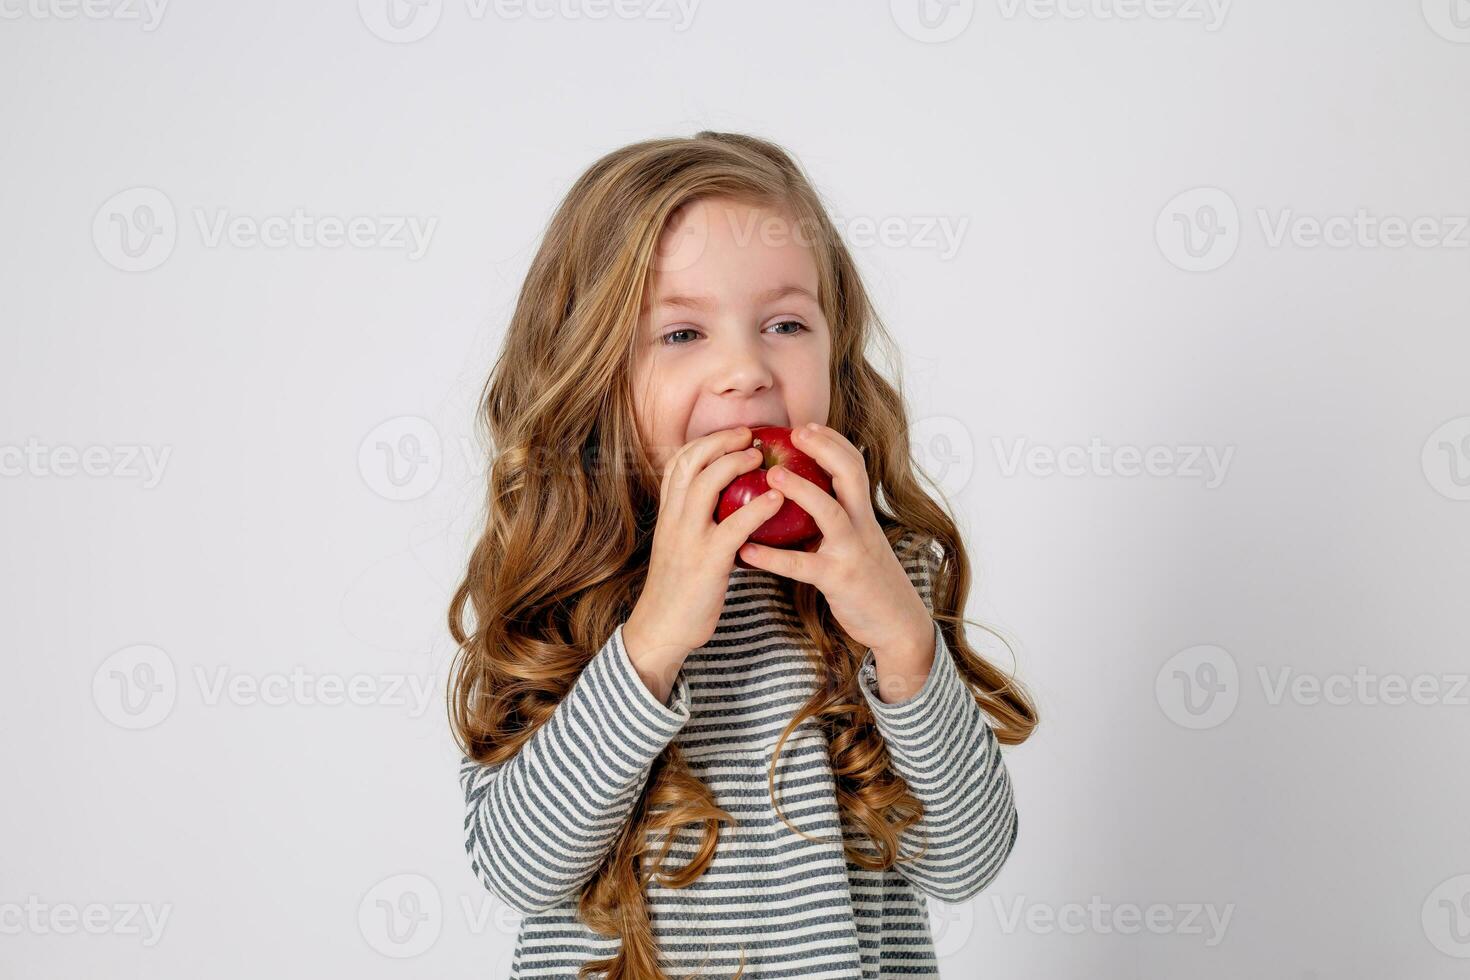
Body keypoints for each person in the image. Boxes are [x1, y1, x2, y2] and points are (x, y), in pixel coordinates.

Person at [448, 130, 1039, 980]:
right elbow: (519, 868)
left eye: (786, 324)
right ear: (593, 370)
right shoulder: (565, 580)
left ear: (836, 351)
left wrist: (906, 647)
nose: (746, 370)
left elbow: (966, 861)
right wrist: (651, 641)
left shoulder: (882, 572)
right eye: (683, 334)